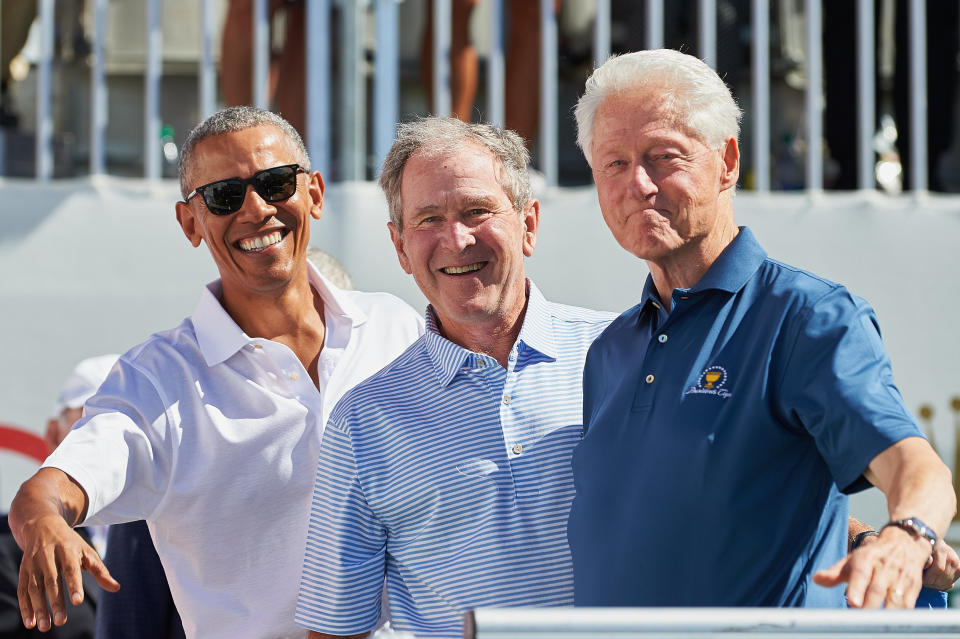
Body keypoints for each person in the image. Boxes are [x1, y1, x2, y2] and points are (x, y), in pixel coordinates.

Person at [9, 106, 423, 638]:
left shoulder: (397, 328)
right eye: (225, 196)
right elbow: (46, 492)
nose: (256, 209)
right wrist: (44, 523)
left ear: (313, 193)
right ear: (191, 223)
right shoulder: (156, 380)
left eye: (275, 183)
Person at [566, 48, 957, 609]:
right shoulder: (609, 350)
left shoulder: (805, 316)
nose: (639, 185)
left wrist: (907, 537)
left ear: (727, 161)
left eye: (663, 156)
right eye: (614, 164)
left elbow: (916, 466)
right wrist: (856, 536)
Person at [294, 117, 615, 639]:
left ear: (529, 224)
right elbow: (334, 629)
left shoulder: (626, 354)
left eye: (476, 211)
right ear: (400, 248)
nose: (457, 239)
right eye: (428, 219)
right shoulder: (363, 421)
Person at [1, 355, 119, 639]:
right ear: (53, 434)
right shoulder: (6, 546)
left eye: (120, 426)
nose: (106, 440)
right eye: (89, 423)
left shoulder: (175, 532)